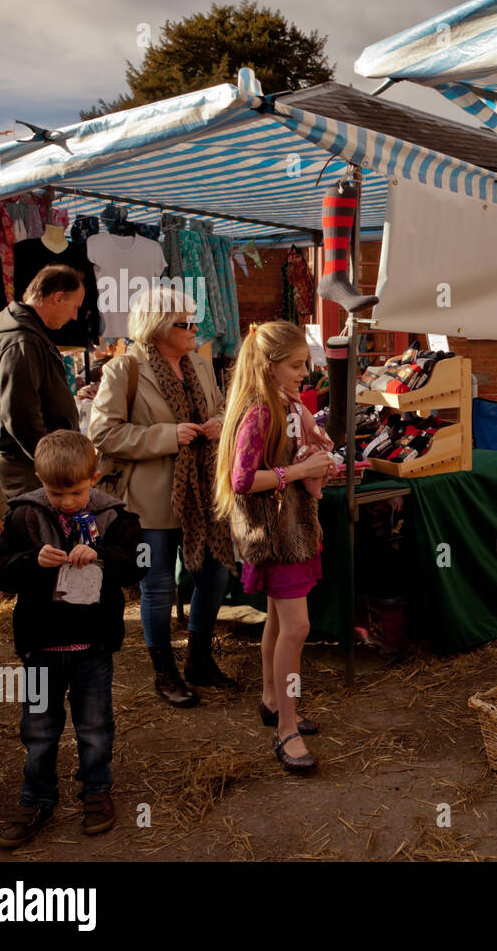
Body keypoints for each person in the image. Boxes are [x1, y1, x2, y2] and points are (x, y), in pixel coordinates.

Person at [0, 430, 147, 850]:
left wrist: (104, 557)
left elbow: (138, 567)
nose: (66, 501)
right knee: (39, 728)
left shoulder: (117, 520)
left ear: (94, 478)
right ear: (40, 480)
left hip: (92, 647)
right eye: (55, 493)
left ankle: (95, 791)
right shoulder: (23, 517)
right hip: (41, 646)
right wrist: (30, 562)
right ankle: (36, 797)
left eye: (74, 492)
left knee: (94, 726)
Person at [88, 287, 234, 709]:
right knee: (158, 586)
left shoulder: (202, 366)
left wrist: (218, 424)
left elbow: (224, 408)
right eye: (184, 323)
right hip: (150, 500)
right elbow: (103, 433)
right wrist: (166, 436)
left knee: (215, 575)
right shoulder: (124, 370)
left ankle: (199, 660)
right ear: (157, 326)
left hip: (204, 495)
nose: (194, 329)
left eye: (194, 320)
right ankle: (164, 672)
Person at [215, 321, 334, 774]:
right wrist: (300, 473)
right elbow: (242, 481)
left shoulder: (279, 404)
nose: (305, 372)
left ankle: (271, 698)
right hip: (277, 535)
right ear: (269, 366)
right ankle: (286, 728)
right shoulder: (263, 411)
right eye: (297, 365)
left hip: (286, 530)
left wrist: (309, 465)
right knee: (297, 628)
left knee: (279, 618)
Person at [0, 265, 84, 499]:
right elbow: (20, 412)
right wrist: (47, 462)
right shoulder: (22, 340)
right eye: (74, 307)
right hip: (25, 461)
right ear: (58, 298)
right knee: (39, 531)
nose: (75, 316)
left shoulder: (26, 333)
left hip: (28, 457)